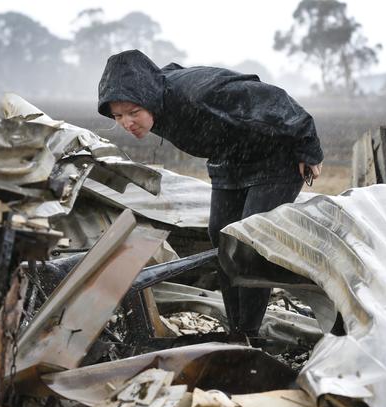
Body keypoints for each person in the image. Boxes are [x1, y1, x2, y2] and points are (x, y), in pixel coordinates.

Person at [98, 49, 323, 336]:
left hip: (275, 157)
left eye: (133, 113)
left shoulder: (200, 92)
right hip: (230, 159)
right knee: (222, 236)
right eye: (118, 116)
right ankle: (237, 330)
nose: (127, 123)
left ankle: (248, 335)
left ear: (149, 98)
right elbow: (167, 71)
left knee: (249, 242)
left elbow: (274, 99)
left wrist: (308, 146)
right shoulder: (154, 93)